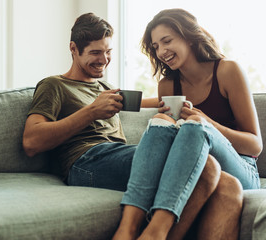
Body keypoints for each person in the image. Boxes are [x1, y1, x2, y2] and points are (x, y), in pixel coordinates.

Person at [22, 12, 244, 239]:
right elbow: (32, 142)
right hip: (87, 161)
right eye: (95, 52)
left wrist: (180, 102)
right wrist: (92, 112)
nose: (104, 59)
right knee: (200, 165)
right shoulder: (55, 85)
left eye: (108, 52)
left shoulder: (105, 88)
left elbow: (146, 103)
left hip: (120, 154)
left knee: (215, 174)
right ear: (73, 49)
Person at [114, 8, 263, 240]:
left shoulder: (227, 71)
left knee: (194, 124)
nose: (162, 51)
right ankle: (139, 230)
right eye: (156, 47)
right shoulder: (168, 86)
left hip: (242, 166)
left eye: (167, 41)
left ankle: (155, 232)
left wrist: (207, 123)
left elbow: (254, 146)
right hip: (201, 167)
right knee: (161, 121)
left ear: (189, 37)